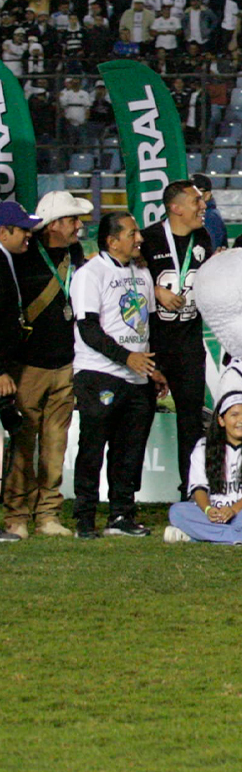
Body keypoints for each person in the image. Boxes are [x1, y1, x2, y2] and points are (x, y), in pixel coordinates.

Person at [70, 211, 164, 539]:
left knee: (130, 449)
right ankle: (83, 517)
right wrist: (127, 358)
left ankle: (122, 515)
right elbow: (88, 328)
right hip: (100, 373)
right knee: (93, 446)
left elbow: (149, 322)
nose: (139, 238)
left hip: (138, 376)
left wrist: (156, 368)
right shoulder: (90, 274)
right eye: (132, 233)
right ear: (112, 241)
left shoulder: (141, 272)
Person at [1, 193, 87, 540]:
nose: (79, 227)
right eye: (72, 221)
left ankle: (48, 513)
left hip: (65, 362)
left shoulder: (75, 254)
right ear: (54, 225)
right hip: (27, 366)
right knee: (22, 444)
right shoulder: (20, 257)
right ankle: (16, 515)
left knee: (56, 444)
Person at [142, 180, 214, 499]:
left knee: (191, 425)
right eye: (197, 201)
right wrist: (154, 290)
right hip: (150, 347)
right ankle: (124, 498)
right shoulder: (148, 237)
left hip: (188, 346)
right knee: (137, 421)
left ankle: (191, 492)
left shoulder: (203, 237)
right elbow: (125, 277)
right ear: (176, 207)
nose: (204, 206)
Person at [162, 399, 242, 546]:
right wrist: (208, 509)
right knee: (177, 511)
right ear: (221, 420)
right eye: (234, 415)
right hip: (211, 513)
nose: (241, 420)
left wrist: (233, 510)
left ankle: (195, 537)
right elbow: (198, 488)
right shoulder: (203, 446)